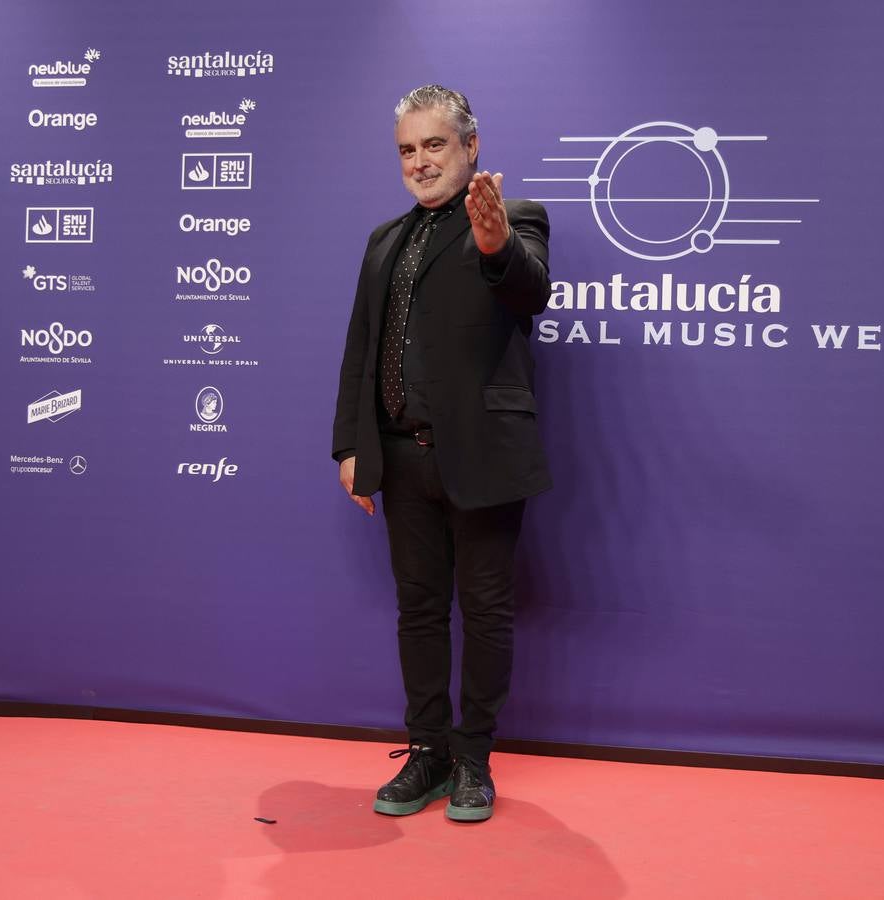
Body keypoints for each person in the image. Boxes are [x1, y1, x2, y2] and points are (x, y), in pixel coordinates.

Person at [331, 84, 552, 822]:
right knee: (418, 612)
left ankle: (472, 760)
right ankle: (425, 752)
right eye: (407, 149)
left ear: (470, 147)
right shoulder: (382, 240)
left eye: (434, 145)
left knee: (484, 613)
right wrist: (351, 445)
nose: (419, 161)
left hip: (483, 455)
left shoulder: (514, 219)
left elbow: (527, 292)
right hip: (400, 457)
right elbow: (363, 348)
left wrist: (494, 246)